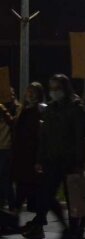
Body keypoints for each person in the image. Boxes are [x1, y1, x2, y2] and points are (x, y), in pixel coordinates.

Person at [21, 75, 85, 239]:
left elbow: (79, 138)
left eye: (57, 88)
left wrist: (79, 162)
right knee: (46, 195)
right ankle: (65, 230)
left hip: (69, 160)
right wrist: (40, 159)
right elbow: (44, 137)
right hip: (51, 160)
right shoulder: (50, 109)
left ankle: (73, 235)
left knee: (73, 200)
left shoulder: (74, 108)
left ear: (65, 88)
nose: (53, 91)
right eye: (51, 87)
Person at [10, 83, 46, 218]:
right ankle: (19, 217)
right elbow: (14, 125)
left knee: (30, 188)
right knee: (23, 186)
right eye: (28, 91)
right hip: (21, 154)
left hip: (32, 154)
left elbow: (41, 135)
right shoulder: (23, 109)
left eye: (34, 92)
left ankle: (34, 221)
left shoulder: (41, 110)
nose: (30, 94)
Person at [0, 90, 18, 211]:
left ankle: (12, 207)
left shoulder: (16, 108)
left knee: (6, 179)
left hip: (7, 148)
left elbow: (13, 123)